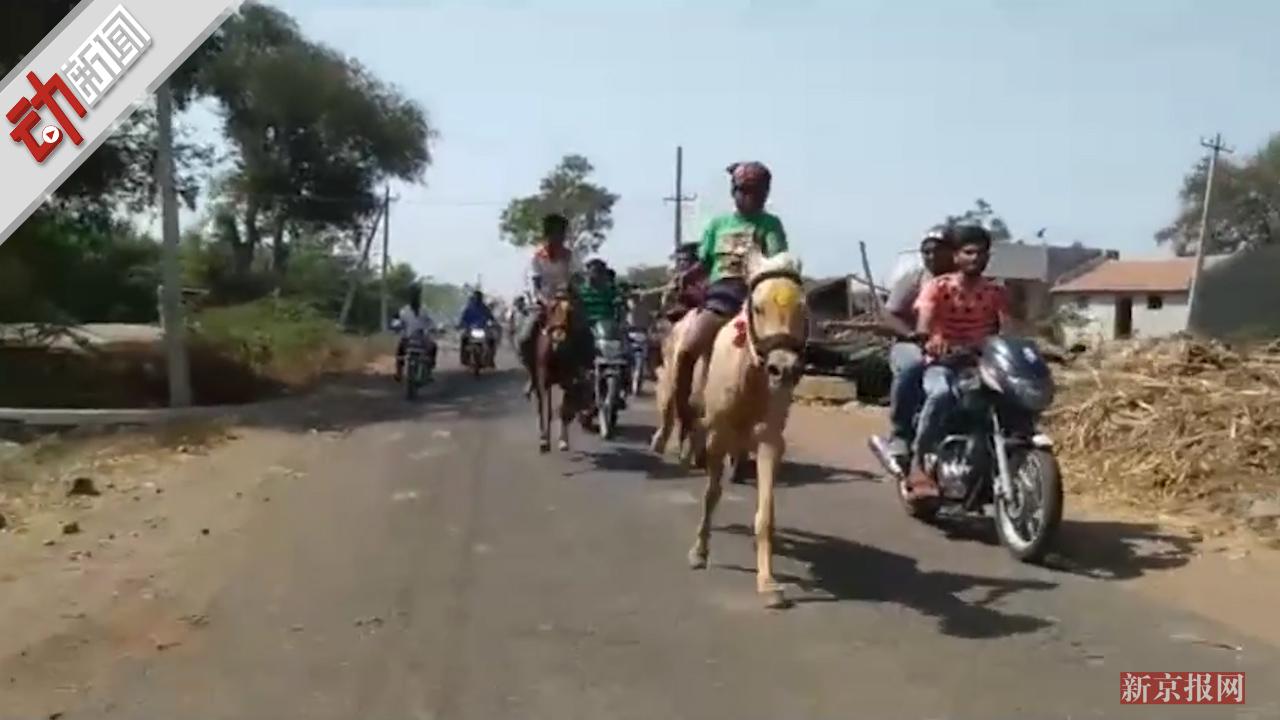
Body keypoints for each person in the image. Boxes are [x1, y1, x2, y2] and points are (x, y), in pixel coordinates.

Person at [671, 161, 788, 436]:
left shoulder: (770, 225)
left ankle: (770, 419)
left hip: (755, 298)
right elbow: (704, 263)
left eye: (758, 192)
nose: (751, 197)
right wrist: (687, 277)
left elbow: (776, 262)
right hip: (721, 296)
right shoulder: (717, 224)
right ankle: (685, 417)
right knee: (687, 351)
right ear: (734, 192)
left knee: (784, 352)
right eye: (745, 191)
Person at [906, 224, 1010, 501]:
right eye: (969, 252)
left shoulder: (995, 292)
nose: (976, 258)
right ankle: (918, 462)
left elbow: (1009, 328)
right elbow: (924, 319)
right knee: (940, 394)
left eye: (982, 253)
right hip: (943, 362)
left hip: (981, 364)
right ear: (955, 256)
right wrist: (931, 337)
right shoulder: (937, 287)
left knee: (1010, 401)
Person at [869, 227, 957, 471]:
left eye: (937, 251)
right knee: (913, 365)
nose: (930, 256)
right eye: (926, 251)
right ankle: (901, 436)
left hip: (954, 349)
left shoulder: (965, 282)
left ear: (953, 252)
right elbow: (889, 315)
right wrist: (911, 334)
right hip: (912, 345)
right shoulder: (916, 278)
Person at [519, 213, 588, 391]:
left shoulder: (569, 256)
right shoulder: (536, 257)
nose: (560, 238)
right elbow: (536, 284)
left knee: (584, 332)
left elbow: (577, 278)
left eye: (562, 234)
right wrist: (544, 300)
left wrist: (572, 290)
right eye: (556, 234)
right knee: (524, 338)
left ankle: (581, 372)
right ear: (548, 235)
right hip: (542, 304)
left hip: (565, 302)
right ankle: (532, 375)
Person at [394, 284, 438, 382]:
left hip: (422, 338)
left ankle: (429, 371)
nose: (414, 297)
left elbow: (431, 322)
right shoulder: (404, 310)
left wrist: (434, 328)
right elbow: (398, 322)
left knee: (433, 347)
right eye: (413, 295)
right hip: (408, 338)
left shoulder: (424, 310)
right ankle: (399, 373)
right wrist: (396, 326)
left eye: (416, 295)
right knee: (399, 353)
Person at [662, 242, 708, 321]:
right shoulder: (678, 280)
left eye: (685, 260)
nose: (681, 263)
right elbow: (667, 303)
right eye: (679, 260)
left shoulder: (708, 280)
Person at [458, 289, 497, 367]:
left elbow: (491, 317)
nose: (477, 299)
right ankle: (464, 358)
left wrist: (493, 322)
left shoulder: (484, 308)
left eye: (479, 297)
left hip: (483, 329)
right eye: (476, 297)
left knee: (492, 340)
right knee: (463, 339)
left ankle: (491, 359)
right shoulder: (469, 308)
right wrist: (461, 324)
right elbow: (463, 318)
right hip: (470, 329)